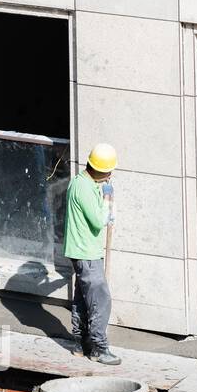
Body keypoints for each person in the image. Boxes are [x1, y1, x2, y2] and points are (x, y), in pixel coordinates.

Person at [64, 143, 120, 365]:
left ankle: (80, 343)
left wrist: (107, 208)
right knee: (100, 298)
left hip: (83, 250)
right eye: (109, 171)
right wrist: (107, 201)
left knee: (82, 298)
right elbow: (97, 220)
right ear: (100, 170)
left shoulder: (84, 183)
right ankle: (98, 348)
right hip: (86, 252)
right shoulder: (84, 188)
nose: (111, 175)